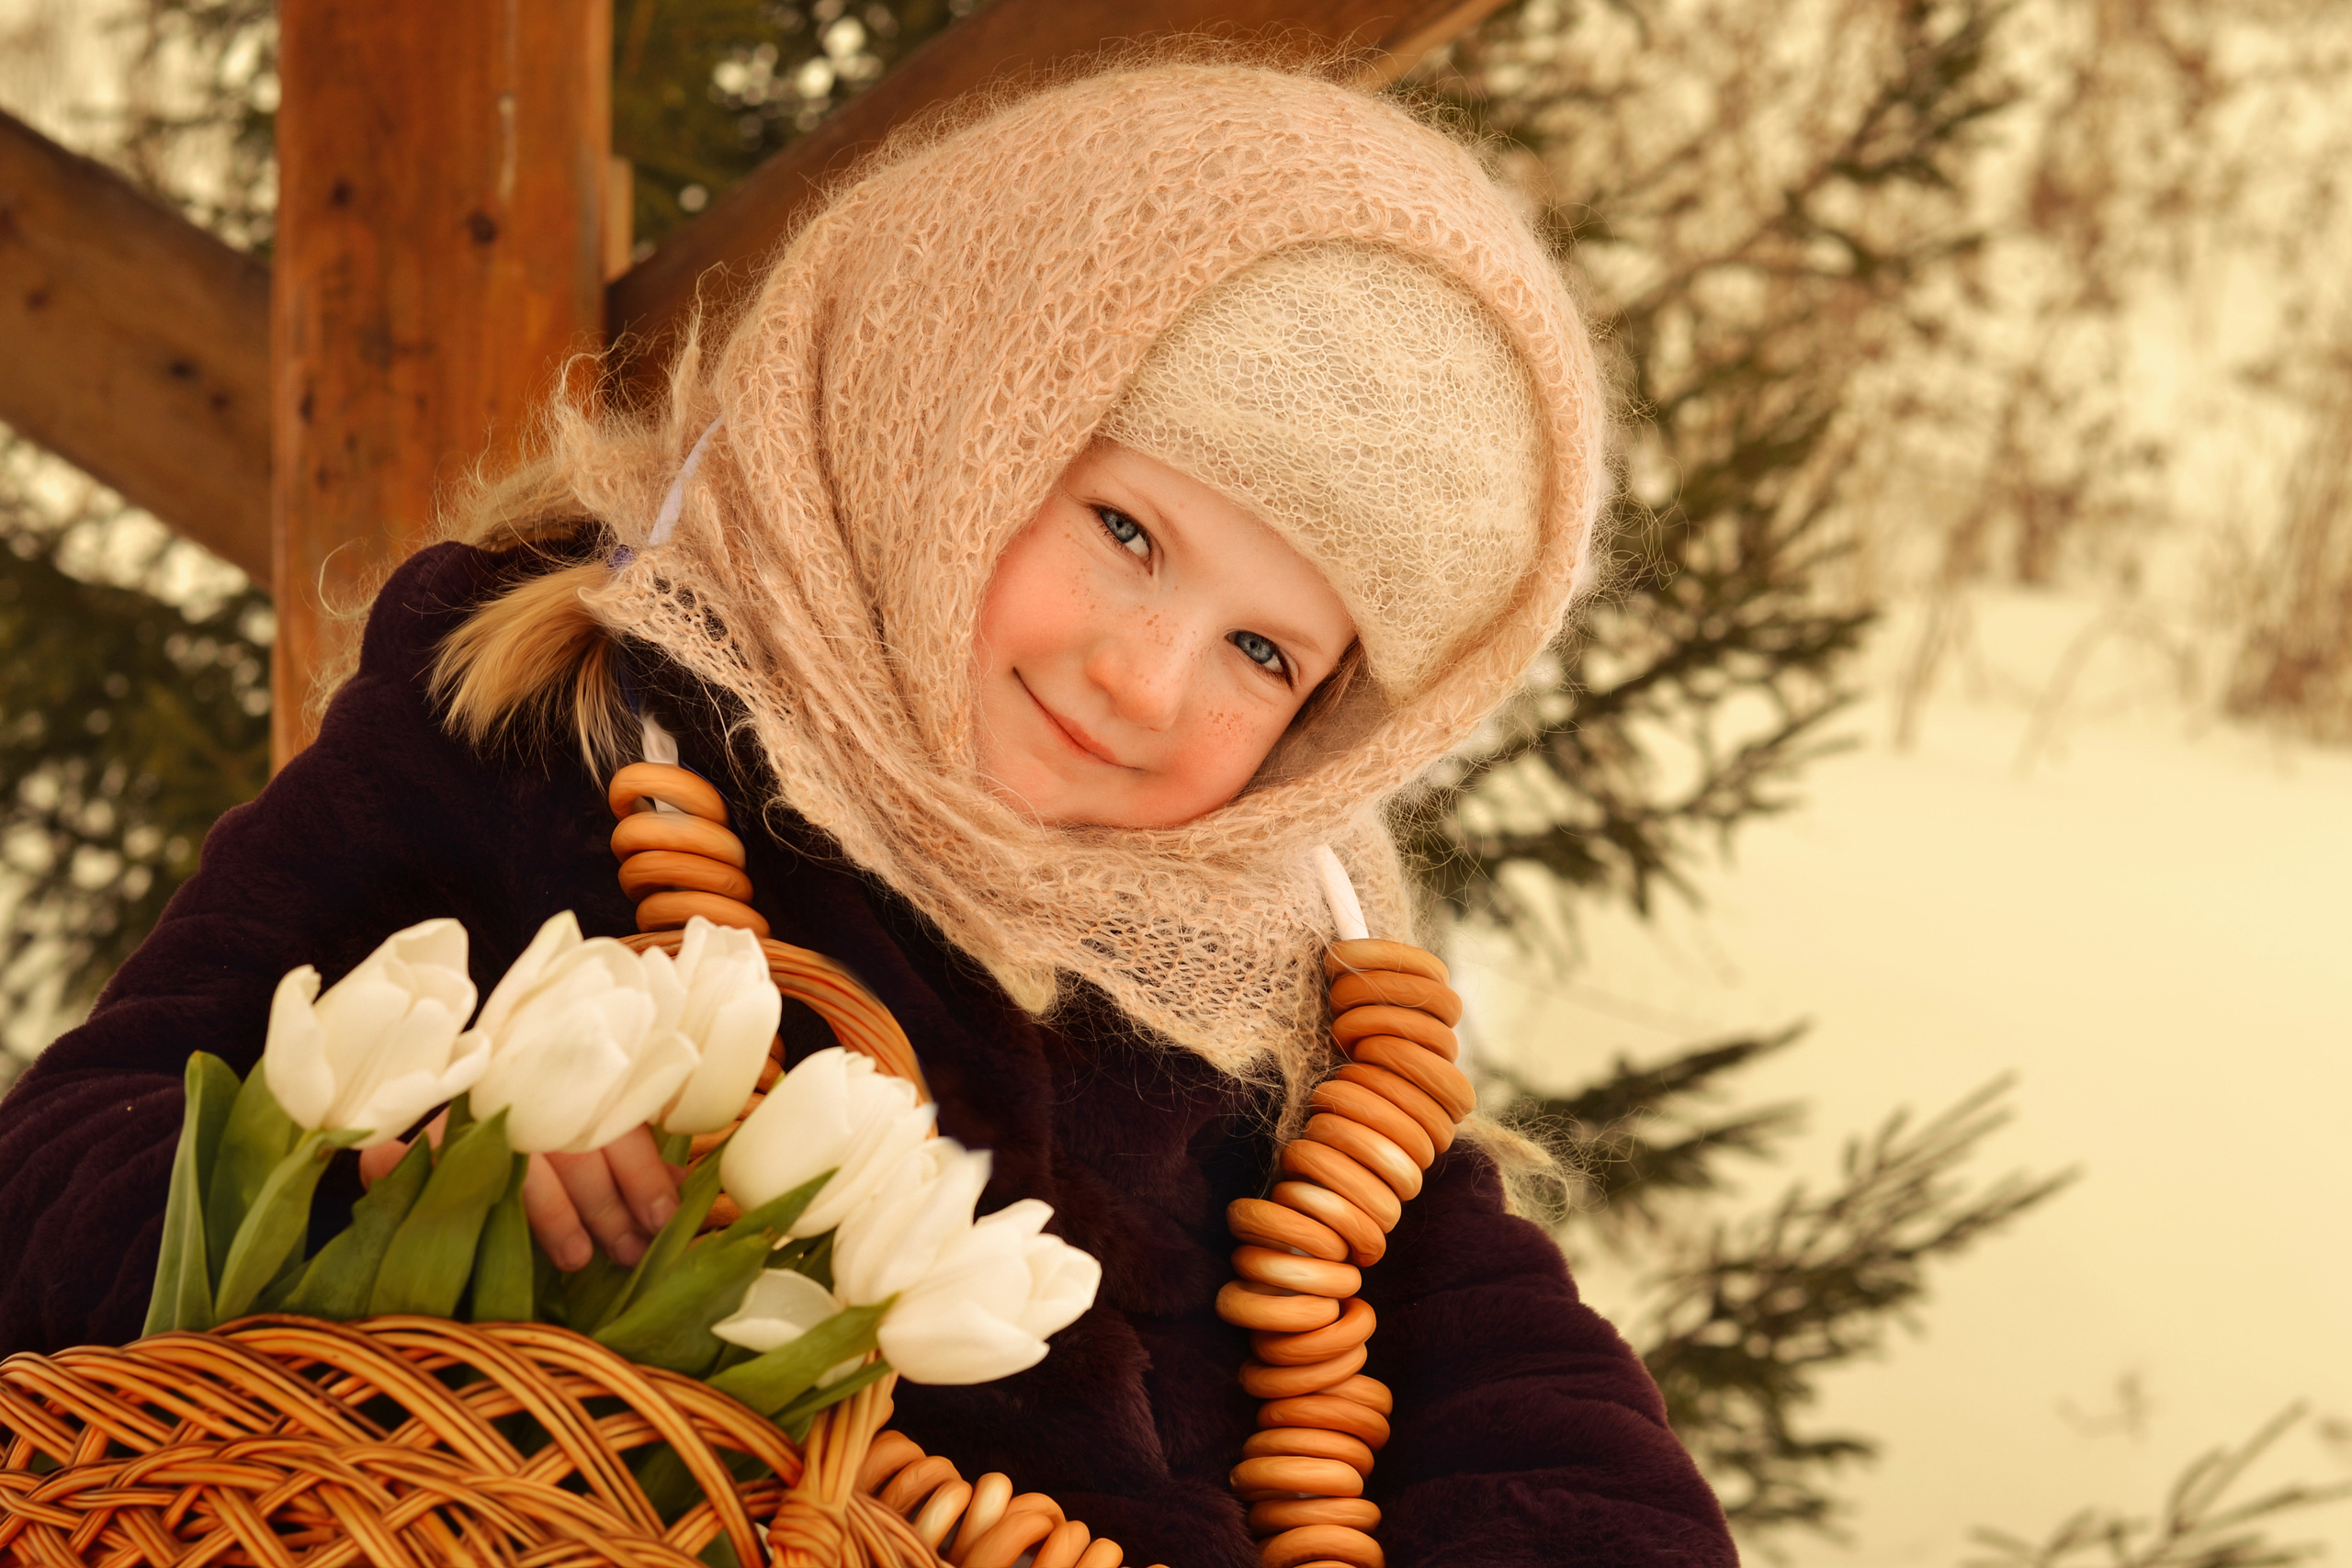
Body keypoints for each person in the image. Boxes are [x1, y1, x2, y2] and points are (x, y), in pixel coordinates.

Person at [0, 58, 1736, 1566]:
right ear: (951, 408)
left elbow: (1497, 1378)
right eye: (1126, 534)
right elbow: (66, 1164)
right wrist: (398, 1192)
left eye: (1263, 653)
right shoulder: (561, 716)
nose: (1146, 681)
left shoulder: (1268, 972)